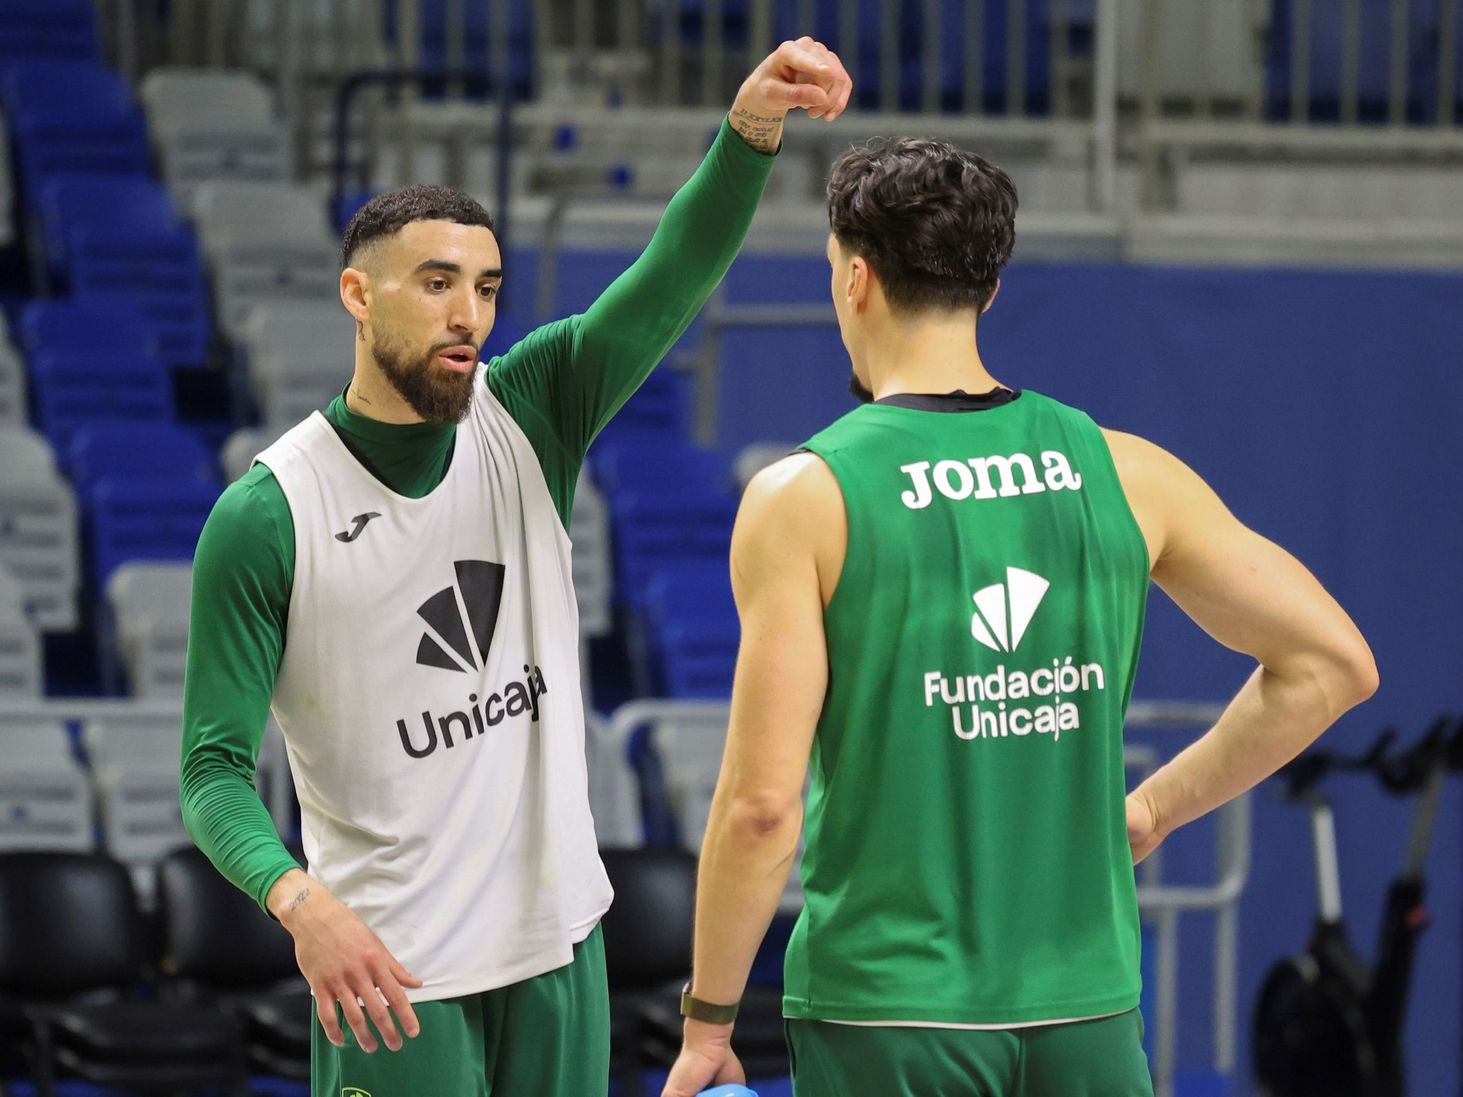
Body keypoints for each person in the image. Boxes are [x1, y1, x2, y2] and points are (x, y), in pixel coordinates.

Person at [178, 38, 853, 1096]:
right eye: (436, 283)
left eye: (487, 287)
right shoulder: (268, 514)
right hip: (392, 976)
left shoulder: (531, 411)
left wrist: (750, 130)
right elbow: (211, 768)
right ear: (357, 293)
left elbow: (669, 276)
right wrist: (300, 902)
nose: (469, 315)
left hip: (558, 949)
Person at [661, 137, 1380, 1097]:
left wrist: (709, 1019)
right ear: (989, 289)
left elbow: (760, 809)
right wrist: (1154, 809)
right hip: (1088, 1012)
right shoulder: (1124, 471)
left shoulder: (807, 496)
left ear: (856, 280)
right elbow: (1332, 665)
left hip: (891, 1012)